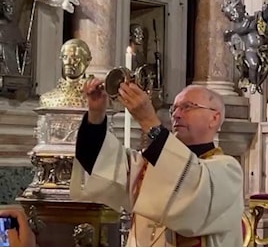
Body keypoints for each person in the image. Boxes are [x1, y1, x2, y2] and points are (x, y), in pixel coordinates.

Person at [69, 80, 245, 247]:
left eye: (187, 107)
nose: (176, 114)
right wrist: (96, 115)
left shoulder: (227, 170)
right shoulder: (149, 164)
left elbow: (191, 193)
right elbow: (98, 160)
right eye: (174, 109)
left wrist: (148, 121)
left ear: (214, 118)